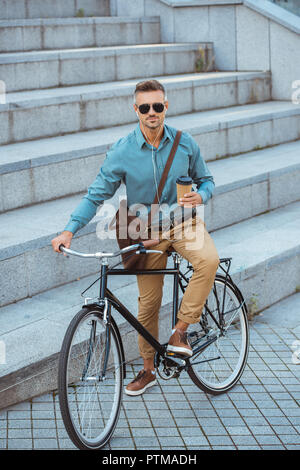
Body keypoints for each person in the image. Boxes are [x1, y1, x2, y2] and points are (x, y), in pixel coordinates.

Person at [51, 79, 219, 396]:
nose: (152, 112)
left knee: (208, 260)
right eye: (145, 107)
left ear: (166, 106)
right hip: (145, 229)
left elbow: (207, 180)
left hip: (183, 223)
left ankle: (180, 332)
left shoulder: (185, 143)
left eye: (158, 106)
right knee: (148, 304)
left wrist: (202, 195)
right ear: (136, 110)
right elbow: (95, 196)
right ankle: (147, 369)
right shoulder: (122, 151)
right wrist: (69, 230)